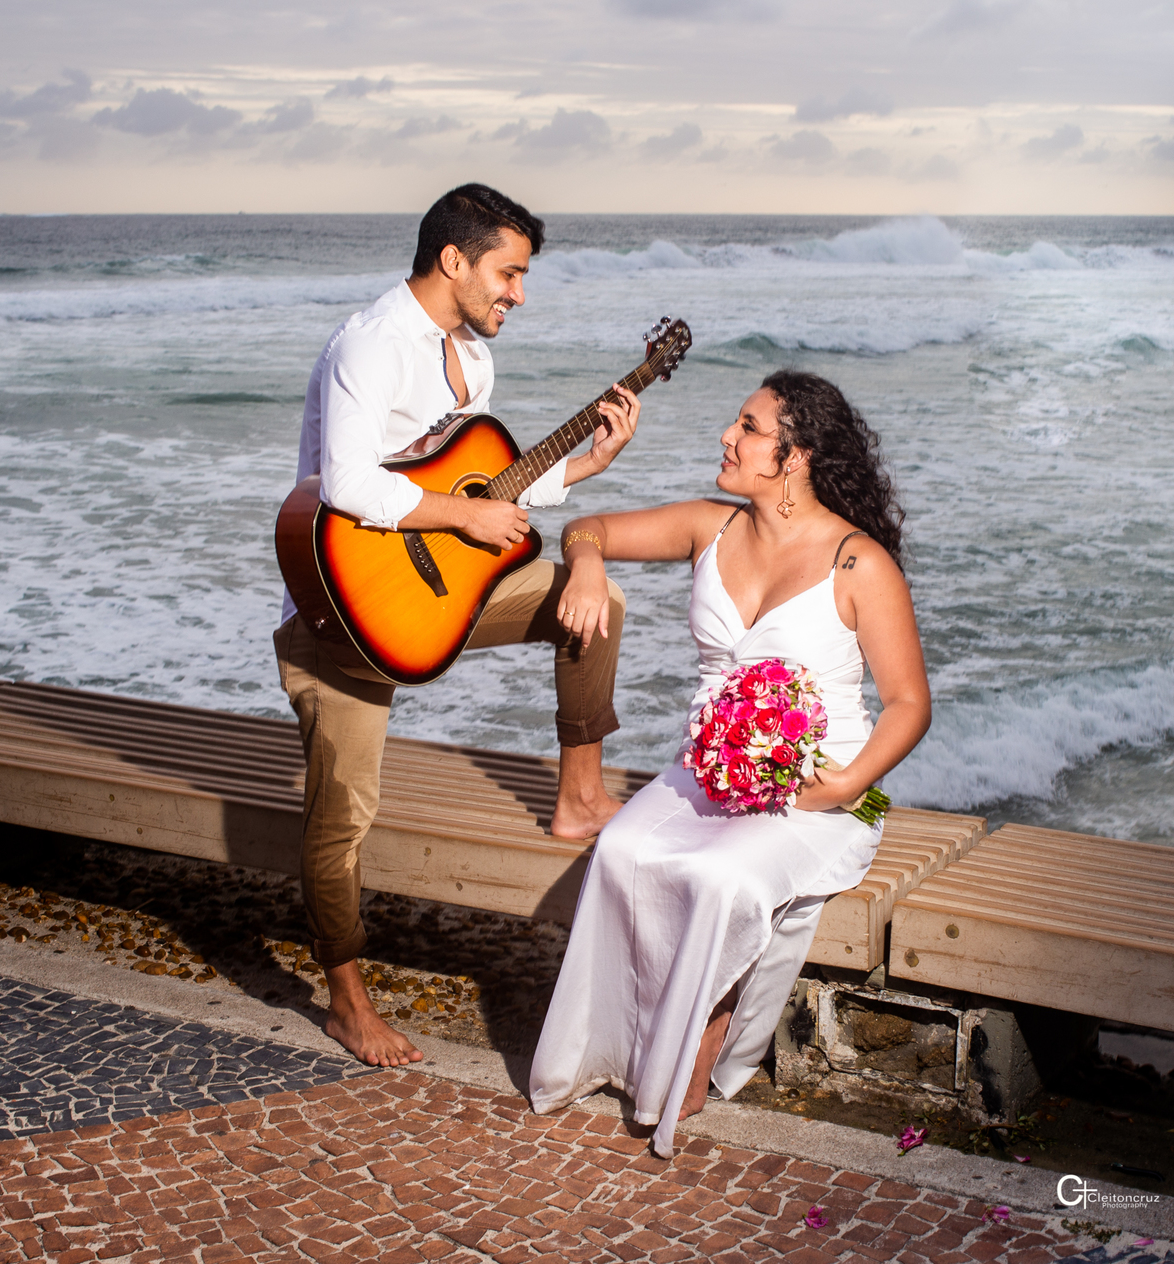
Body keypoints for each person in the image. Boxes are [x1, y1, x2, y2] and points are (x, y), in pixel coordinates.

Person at [273, 184, 640, 1069]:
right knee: (342, 815)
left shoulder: (471, 360)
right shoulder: (370, 343)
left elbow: (484, 484)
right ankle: (347, 999)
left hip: (435, 597)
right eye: (508, 273)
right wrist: (464, 520)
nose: (518, 293)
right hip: (343, 611)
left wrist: (585, 467)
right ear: (454, 261)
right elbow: (351, 483)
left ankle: (577, 796)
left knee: (595, 605)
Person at [528, 370, 932, 1158]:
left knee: (725, 880)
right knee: (621, 849)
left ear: (796, 456)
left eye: (748, 428)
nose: (727, 436)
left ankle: (705, 1039)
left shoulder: (858, 565)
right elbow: (590, 528)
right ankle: (608, 1048)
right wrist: (585, 567)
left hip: (817, 789)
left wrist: (849, 784)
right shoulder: (706, 527)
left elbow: (909, 703)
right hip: (707, 769)